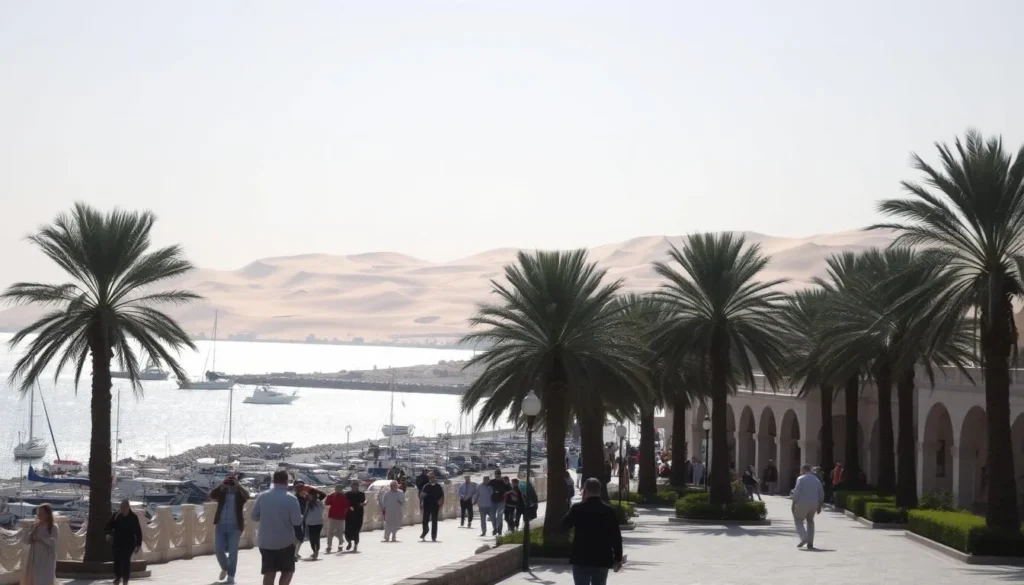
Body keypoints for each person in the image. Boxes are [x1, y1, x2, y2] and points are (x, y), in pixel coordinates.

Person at [562, 478, 623, 585]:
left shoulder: (577, 508)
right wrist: (618, 558)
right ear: (599, 491)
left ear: (584, 491)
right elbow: (616, 536)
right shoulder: (609, 511)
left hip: (581, 557)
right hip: (602, 557)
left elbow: (564, 525)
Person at [251, 469, 303, 585]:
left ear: (273, 480)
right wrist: (301, 516)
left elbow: (254, 516)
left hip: (265, 542)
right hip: (285, 542)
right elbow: (296, 522)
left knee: (269, 572)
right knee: (288, 571)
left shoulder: (262, 496)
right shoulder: (291, 499)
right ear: (286, 481)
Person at [209, 475, 249, 583]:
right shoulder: (222, 492)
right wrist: (221, 485)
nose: (230, 485)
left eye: (231, 482)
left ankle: (231, 576)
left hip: (235, 526)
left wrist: (238, 486)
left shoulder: (239, 494)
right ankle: (225, 568)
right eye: (228, 482)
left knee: (233, 552)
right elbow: (211, 495)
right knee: (218, 549)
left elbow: (247, 496)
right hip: (221, 525)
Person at [105, 499, 143, 585]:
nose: (122, 509)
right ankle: (117, 577)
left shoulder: (133, 517)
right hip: (117, 542)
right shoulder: (116, 515)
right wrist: (108, 534)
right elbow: (109, 525)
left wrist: (138, 544)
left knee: (126, 560)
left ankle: (125, 580)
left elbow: (138, 532)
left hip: (129, 544)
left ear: (128, 507)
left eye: (124, 507)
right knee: (117, 560)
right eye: (121, 507)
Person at [21, 503, 58, 585]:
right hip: (34, 556)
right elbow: (27, 541)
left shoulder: (53, 527)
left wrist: (41, 538)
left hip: (46, 557)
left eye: (41, 513)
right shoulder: (34, 526)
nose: (39, 515)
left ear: (47, 514)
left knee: (44, 578)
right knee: (33, 577)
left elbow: (53, 541)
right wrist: (28, 534)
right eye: (38, 513)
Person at [791, 464, 825, 550]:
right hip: (814, 503)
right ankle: (810, 542)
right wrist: (820, 505)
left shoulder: (800, 479)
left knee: (798, 519)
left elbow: (796, 492)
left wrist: (793, 503)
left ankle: (804, 537)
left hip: (802, 502)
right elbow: (821, 493)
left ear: (804, 470)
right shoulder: (816, 480)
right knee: (810, 521)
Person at [323, 485, 350, 554]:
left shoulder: (344, 497)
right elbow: (326, 503)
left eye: (339, 489)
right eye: (336, 489)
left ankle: (340, 545)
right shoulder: (332, 496)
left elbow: (347, 506)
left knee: (339, 532)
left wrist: (344, 514)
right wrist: (329, 496)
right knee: (330, 532)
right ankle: (329, 546)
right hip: (332, 516)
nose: (337, 491)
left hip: (341, 517)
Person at [419, 471, 445, 542]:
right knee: (425, 520)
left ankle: (434, 537)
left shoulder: (438, 486)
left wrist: (441, 502)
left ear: (435, 478)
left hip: (435, 506)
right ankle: (425, 531)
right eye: (430, 477)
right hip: (427, 505)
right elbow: (422, 495)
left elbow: (442, 495)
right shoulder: (426, 486)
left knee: (434, 521)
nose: (431, 478)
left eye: (433, 477)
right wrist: (421, 503)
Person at [303, 490, 325, 560]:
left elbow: (323, 495)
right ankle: (315, 551)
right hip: (313, 523)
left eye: (310, 495)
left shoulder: (318, 502)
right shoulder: (310, 503)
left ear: (313, 495)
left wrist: (316, 491)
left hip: (316, 523)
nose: (309, 496)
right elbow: (306, 512)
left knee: (314, 538)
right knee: (313, 538)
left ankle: (316, 551)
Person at [344, 482, 365, 551]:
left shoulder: (361, 494)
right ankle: (349, 542)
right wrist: (349, 507)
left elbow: (362, 502)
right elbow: (345, 502)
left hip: (358, 515)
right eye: (353, 486)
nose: (355, 488)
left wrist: (361, 504)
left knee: (356, 531)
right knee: (347, 530)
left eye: (356, 486)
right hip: (349, 515)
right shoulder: (347, 494)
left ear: (358, 487)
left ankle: (356, 545)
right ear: (351, 487)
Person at [487, 471, 509, 535]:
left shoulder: (503, 482)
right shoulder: (491, 482)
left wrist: (506, 491)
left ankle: (499, 529)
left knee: (499, 515)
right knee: (492, 516)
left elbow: (509, 489)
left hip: (501, 501)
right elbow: (487, 488)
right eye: (496, 475)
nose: (497, 477)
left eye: (498, 475)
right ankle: (495, 528)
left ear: (500, 475)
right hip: (492, 501)